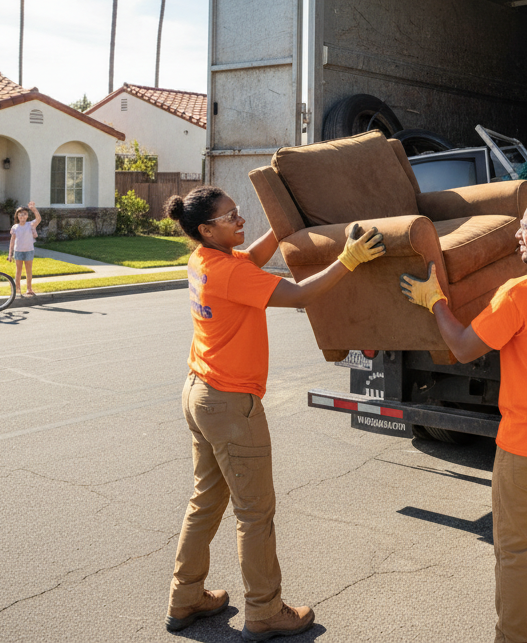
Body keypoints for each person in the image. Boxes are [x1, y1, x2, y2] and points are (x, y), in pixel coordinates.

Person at [164, 186, 385, 640]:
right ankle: (264, 611)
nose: (239, 220)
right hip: (230, 405)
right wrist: (349, 259)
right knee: (254, 513)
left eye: (238, 212)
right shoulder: (229, 272)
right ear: (206, 229)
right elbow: (300, 295)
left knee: (205, 503)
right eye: (230, 217)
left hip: (199, 393)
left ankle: (184, 597)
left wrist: (281, 220)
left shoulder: (205, 259)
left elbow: (257, 256)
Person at [400, 194, 527, 643]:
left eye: (526, 228)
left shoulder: (519, 294)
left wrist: (435, 301)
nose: (517, 234)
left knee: (516, 552)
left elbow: (463, 347)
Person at [8, 202, 41, 297]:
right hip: (18, 251)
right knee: (18, 271)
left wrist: (33, 209)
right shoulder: (15, 227)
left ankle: (29, 289)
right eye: (20, 215)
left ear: (27, 216)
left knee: (28, 270)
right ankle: (17, 289)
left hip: (29, 251)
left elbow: (38, 219)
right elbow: (12, 241)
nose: (22, 216)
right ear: (17, 216)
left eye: (24, 214)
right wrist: (10, 254)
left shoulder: (30, 225)